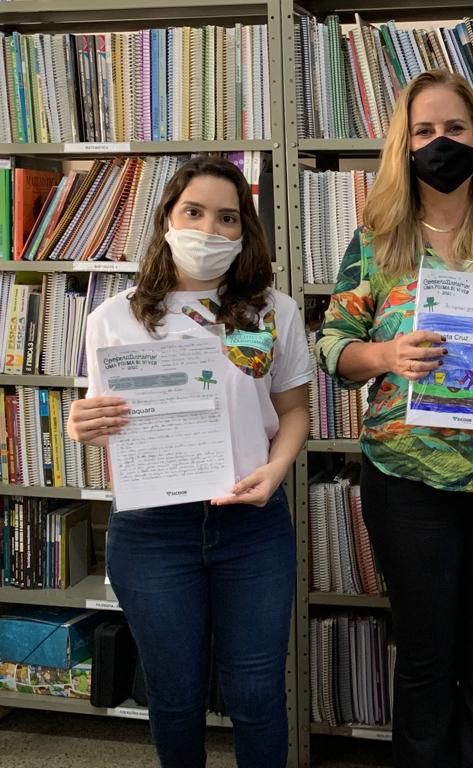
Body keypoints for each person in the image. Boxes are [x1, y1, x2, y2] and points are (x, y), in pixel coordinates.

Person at [316, 69, 473, 767]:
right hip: (406, 479)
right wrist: (385, 354)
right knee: (425, 660)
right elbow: (331, 345)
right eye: (424, 130)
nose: (440, 142)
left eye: (454, 129)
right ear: (404, 144)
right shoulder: (375, 241)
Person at [67, 156, 311, 768]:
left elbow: (295, 412)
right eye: (193, 212)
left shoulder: (273, 312)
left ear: (245, 231)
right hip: (152, 532)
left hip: (250, 527)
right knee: (173, 697)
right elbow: (104, 417)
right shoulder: (111, 319)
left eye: (227, 218)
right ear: (168, 221)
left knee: (256, 693)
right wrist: (82, 424)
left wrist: (275, 470)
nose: (208, 229)